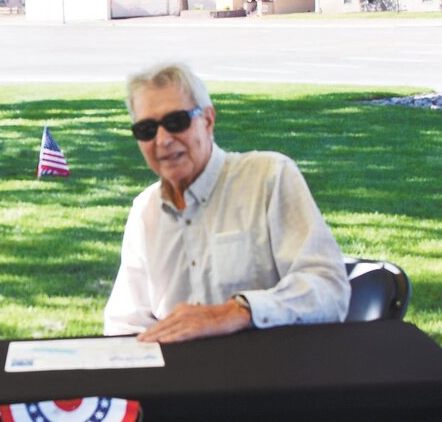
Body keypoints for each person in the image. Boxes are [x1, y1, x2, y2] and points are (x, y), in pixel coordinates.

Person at [104, 62, 350, 343]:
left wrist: (236, 312)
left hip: (270, 374)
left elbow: (329, 289)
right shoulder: (145, 210)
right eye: (147, 129)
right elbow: (125, 323)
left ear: (207, 120)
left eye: (176, 122)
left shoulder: (268, 177)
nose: (162, 140)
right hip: (180, 380)